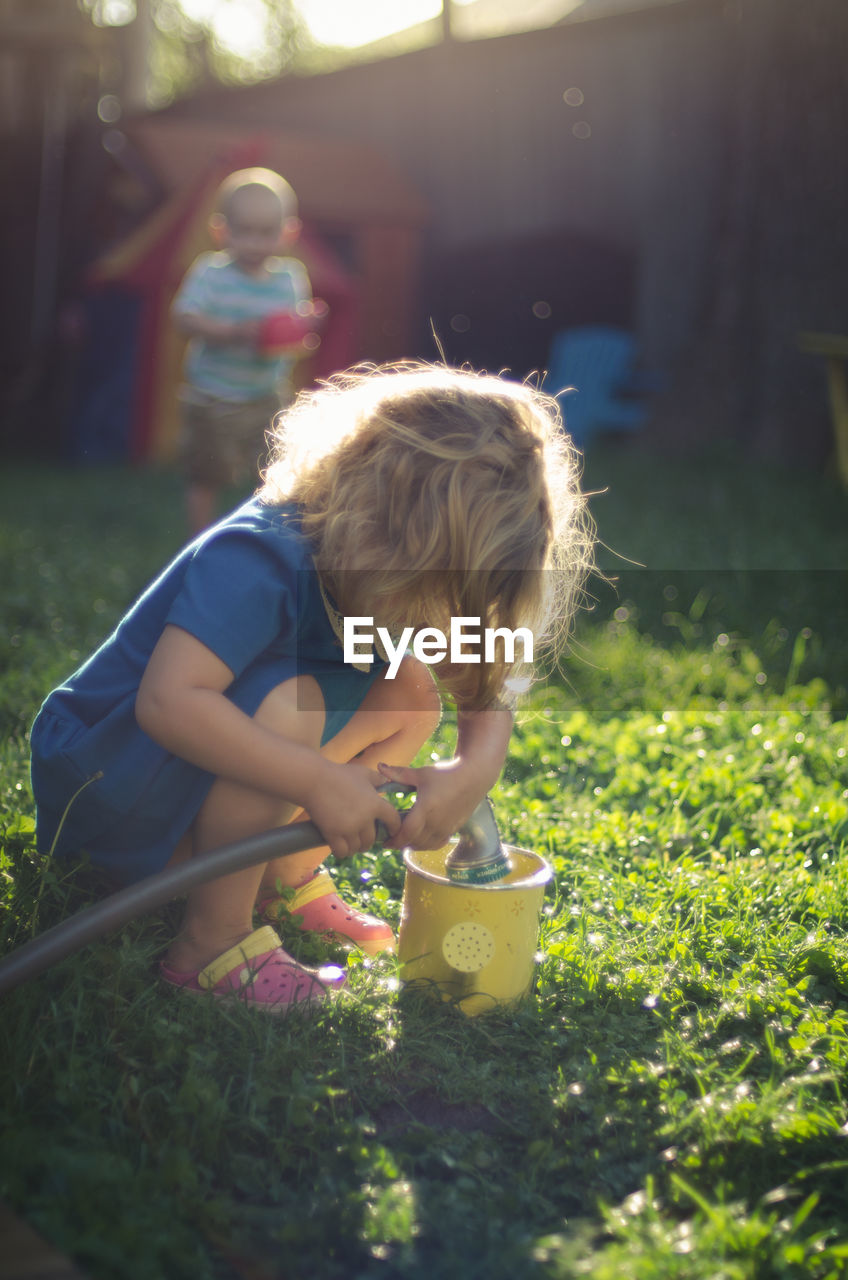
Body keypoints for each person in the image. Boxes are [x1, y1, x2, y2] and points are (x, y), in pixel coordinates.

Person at [29, 363, 593, 1014]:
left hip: (184, 797)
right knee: (288, 707)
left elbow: (479, 660)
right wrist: (316, 781)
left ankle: (281, 880)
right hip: (108, 793)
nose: (437, 622)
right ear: (376, 524)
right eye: (430, 592)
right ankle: (211, 945)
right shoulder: (258, 558)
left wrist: (476, 766)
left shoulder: (376, 566)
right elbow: (169, 703)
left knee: (408, 688)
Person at [172, 166, 314, 535]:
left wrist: (305, 328)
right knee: (207, 474)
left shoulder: (290, 278)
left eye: (265, 233)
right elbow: (184, 318)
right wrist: (230, 332)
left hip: (266, 395)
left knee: (272, 471)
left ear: (288, 232)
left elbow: (295, 333)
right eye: (243, 232)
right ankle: (198, 540)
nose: (254, 243)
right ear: (221, 231)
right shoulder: (211, 273)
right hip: (212, 396)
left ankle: (261, 537)